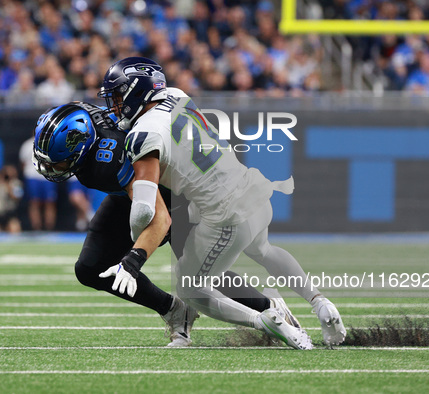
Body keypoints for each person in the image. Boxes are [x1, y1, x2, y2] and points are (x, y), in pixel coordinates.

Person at [97, 57, 347, 349]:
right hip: (252, 187)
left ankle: (265, 320)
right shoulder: (178, 96)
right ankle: (320, 302)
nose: (113, 105)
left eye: (116, 96)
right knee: (264, 250)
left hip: (225, 213)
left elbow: (143, 208)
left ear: (135, 91)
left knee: (189, 285)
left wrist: (135, 252)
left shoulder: (143, 135)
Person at [31, 101, 300, 347]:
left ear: (81, 145)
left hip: (174, 192)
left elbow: (159, 217)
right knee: (91, 267)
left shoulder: (106, 161)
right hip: (132, 188)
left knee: (198, 273)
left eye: (59, 161)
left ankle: (270, 308)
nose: (52, 168)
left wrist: (134, 259)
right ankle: (174, 310)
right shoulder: (88, 121)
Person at [19, 137, 58, 231]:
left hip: (47, 177)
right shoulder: (27, 145)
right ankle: (37, 228)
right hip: (32, 177)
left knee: (50, 202)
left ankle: (49, 228)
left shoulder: (51, 144)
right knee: (34, 202)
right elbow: (23, 163)